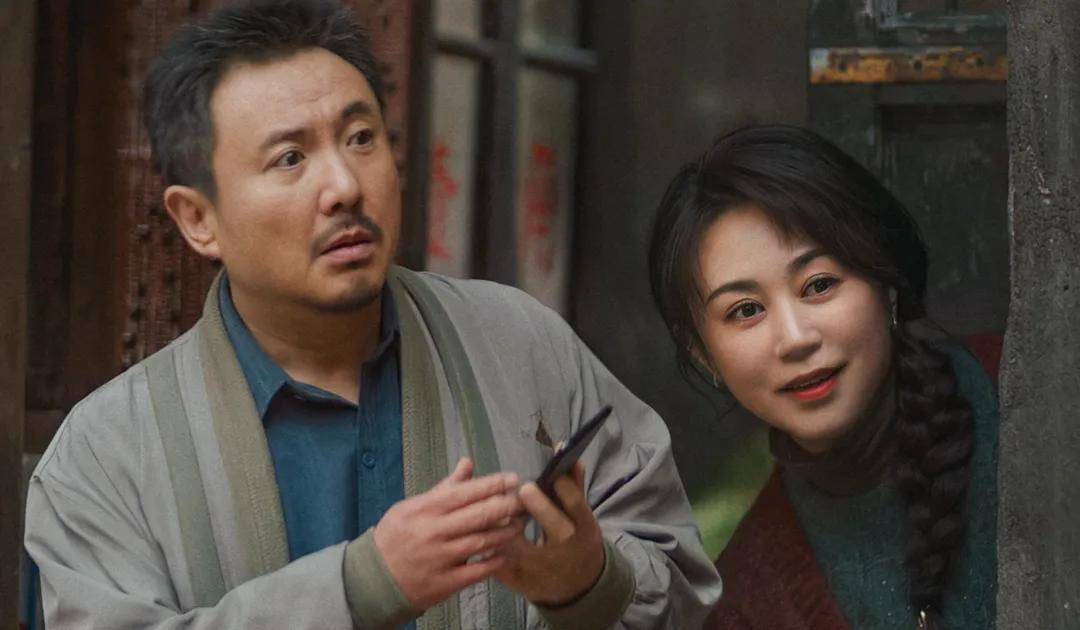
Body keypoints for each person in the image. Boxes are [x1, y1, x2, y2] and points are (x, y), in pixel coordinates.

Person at [23, 1, 721, 628]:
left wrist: (588, 585)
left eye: (361, 138)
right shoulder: (106, 454)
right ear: (198, 219)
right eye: (290, 158)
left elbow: (686, 588)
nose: (344, 186)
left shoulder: (520, 343)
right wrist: (362, 589)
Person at [648, 125, 998, 629]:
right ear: (704, 356)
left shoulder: (1038, 396)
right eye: (746, 310)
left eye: (819, 285)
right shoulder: (749, 602)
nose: (795, 338)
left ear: (886, 283)